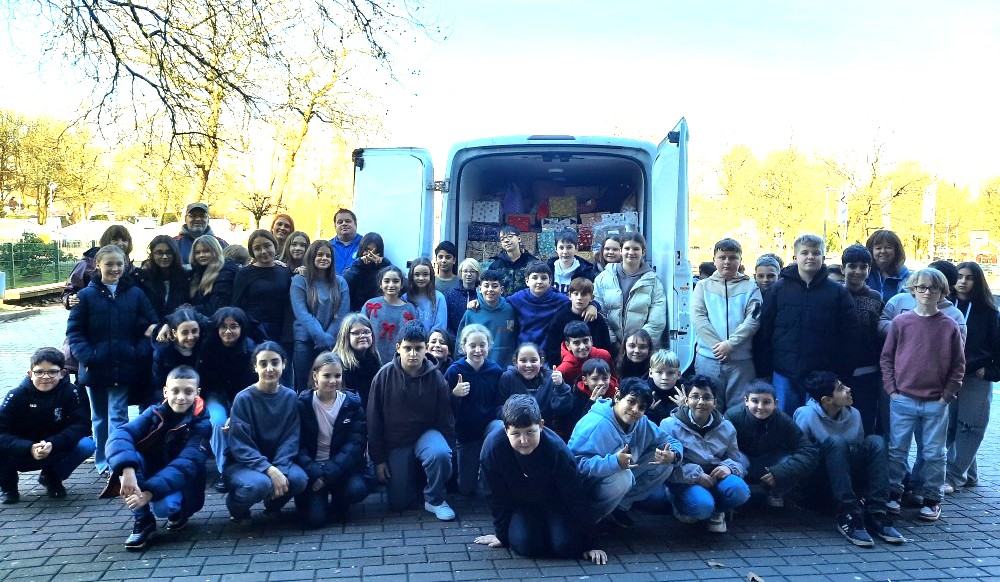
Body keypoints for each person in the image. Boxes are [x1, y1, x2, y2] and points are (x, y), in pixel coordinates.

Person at [475, 395, 608, 564]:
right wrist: (501, 534)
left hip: (555, 503)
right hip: (520, 505)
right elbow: (494, 495)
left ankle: (552, 529)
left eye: (530, 432)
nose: (524, 440)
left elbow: (575, 496)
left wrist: (591, 542)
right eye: (516, 433)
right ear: (505, 429)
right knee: (526, 547)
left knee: (567, 547)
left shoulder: (558, 451)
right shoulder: (493, 449)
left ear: (541, 425)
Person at [881, 268, 965, 521]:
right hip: (902, 399)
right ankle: (893, 493)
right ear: (913, 290)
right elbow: (887, 358)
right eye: (922, 288)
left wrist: (947, 395)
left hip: (936, 402)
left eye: (933, 288)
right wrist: (892, 391)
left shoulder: (949, 325)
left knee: (933, 453)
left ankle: (932, 498)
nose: (927, 292)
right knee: (897, 450)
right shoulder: (901, 322)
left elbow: (958, 365)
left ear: (942, 292)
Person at [66, 244, 158, 475]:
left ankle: (119, 460)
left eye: (119, 264)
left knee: (118, 415)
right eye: (109, 264)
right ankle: (103, 461)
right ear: (98, 265)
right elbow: (74, 331)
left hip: (124, 365)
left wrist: (137, 351)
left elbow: (152, 325)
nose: (115, 269)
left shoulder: (135, 294)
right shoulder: (85, 296)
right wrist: (87, 355)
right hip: (94, 366)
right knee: (99, 417)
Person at [105, 365, 211, 550]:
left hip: (184, 483)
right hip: (152, 473)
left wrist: (149, 493)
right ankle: (143, 521)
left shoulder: (201, 424)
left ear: (197, 393)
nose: (180, 397)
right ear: (165, 391)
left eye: (188, 391)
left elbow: (186, 465)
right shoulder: (154, 412)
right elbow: (120, 434)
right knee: (129, 458)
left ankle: (179, 511)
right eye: (175, 390)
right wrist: (127, 469)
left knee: (163, 508)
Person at [793, 371, 904, 546]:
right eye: (840, 388)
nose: (848, 389)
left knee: (875, 441)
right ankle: (848, 514)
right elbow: (800, 455)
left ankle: (876, 512)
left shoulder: (854, 414)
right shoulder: (806, 415)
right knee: (836, 442)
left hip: (846, 480)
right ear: (826, 400)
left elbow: (858, 455)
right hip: (818, 482)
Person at [753, 234, 858, 414]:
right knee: (784, 420)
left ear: (823, 258)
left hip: (822, 374)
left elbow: (849, 336)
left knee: (818, 423)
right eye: (805, 253)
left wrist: (842, 373)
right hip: (784, 372)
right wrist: (764, 369)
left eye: (816, 253)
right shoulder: (778, 290)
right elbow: (765, 331)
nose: (810, 256)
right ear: (795, 258)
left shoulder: (838, 293)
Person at [367, 322, 457, 520]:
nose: (413, 354)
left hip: (427, 435)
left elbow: (445, 418)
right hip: (397, 441)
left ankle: (434, 499)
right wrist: (379, 459)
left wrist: (451, 454)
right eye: (408, 348)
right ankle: (414, 481)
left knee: (441, 453)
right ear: (398, 348)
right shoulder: (384, 376)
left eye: (418, 348)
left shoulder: (436, 377)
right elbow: (374, 422)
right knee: (398, 503)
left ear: (426, 348)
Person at [569, 377, 682, 528]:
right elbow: (573, 465)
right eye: (631, 401)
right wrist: (614, 462)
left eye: (641, 407)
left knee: (665, 463)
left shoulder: (641, 421)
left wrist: (673, 455)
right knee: (623, 476)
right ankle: (590, 520)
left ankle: (619, 507)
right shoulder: (595, 424)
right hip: (586, 487)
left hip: (615, 474)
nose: (635, 409)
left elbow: (669, 440)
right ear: (617, 396)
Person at [224, 342, 308, 523]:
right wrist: (270, 470)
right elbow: (240, 445)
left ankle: (273, 505)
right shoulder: (243, 398)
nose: (270, 368)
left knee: (298, 479)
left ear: (284, 364)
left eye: (275, 362)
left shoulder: (290, 396)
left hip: (277, 460)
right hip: (243, 464)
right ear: (255, 366)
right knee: (260, 485)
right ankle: (236, 507)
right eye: (263, 364)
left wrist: (281, 468)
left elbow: (291, 438)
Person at [0, 348, 95, 504]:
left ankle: (51, 477)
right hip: (21, 450)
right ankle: (8, 487)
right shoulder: (16, 395)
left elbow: (82, 425)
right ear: (30, 373)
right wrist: (28, 447)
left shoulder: (71, 392)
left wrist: (53, 443)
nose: (45, 377)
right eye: (39, 372)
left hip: (54, 448)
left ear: (62, 373)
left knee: (87, 444)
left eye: (52, 372)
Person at [661, 375, 750, 533]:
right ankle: (680, 505)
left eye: (707, 397)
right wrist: (695, 475)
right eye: (695, 397)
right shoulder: (669, 425)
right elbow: (665, 468)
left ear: (715, 402)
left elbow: (737, 460)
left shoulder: (727, 427)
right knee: (702, 507)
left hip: (716, 476)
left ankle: (718, 511)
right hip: (686, 479)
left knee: (740, 490)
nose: (701, 402)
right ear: (686, 400)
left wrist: (729, 468)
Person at [294, 353, 369, 528]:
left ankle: (339, 497)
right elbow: (298, 445)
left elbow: (355, 445)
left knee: (357, 490)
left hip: (340, 468)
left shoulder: (352, 405)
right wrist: (315, 472)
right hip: (312, 468)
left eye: (337, 375)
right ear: (315, 376)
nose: (333, 380)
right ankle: (309, 498)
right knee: (315, 520)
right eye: (327, 375)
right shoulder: (302, 405)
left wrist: (327, 474)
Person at [946, 261, 999, 490]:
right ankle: (969, 474)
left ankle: (954, 477)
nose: (963, 281)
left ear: (978, 282)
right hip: (948, 376)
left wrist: (992, 371)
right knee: (949, 427)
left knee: (970, 426)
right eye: (959, 276)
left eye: (969, 277)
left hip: (975, 377)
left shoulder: (988, 311)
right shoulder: (945, 306)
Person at [692, 238, 761, 409]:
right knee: (709, 407)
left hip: (741, 362)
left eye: (733, 257)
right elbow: (698, 318)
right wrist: (718, 347)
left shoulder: (751, 287)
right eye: (722, 257)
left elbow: (753, 319)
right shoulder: (702, 286)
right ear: (714, 259)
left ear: (740, 260)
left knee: (740, 409)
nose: (727, 262)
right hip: (708, 359)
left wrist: (730, 345)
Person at [725, 380, 817, 509]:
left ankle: (777, 493)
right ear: (746, 401)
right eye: (755, 401)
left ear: (776, 403)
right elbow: (721, 448)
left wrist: (781, 472)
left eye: (767, 402)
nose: (760, 407)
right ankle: (734, 498)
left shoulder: (783, 420)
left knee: (787, 459)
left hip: (769, 461)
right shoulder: (732, 416)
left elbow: (808, 451)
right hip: (741, 459)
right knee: (734, 459)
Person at [196, 307, 257, 492]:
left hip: (242, 397)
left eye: (234, 326)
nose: (228, 331)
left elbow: (249, 389)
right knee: (217, 422)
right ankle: (226, 471)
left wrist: (235, 412)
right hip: (215, 394)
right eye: (223, 327)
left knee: (240, 424)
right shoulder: (208, 347)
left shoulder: (250, 350)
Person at [445, 324, 504, 496]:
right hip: (466, 435)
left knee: (500, 428)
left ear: (489, 345)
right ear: (463, 347)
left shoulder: (495, 371)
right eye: (472, 346)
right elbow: (442, 405)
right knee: (466, 489)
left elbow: (499, 403)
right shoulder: (455, 371)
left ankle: (488, 475)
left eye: (482, 345)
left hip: (488, 429)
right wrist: (454, 395)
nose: (478, 350)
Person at [290, 240, 350, 392]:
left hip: (332, 342)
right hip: (305, 342)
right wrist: (321, 337)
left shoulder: (340, 282)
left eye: (328, 256)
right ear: (311, 257)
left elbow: (342, 314)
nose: (324, 258)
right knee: (305, 387)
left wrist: (328, 337)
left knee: (329, 386)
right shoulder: (299, 280)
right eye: (319, 255)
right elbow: (302, 313)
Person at [593, 232, 667, 350]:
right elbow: (599, 312)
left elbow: (657, 321)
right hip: (610, 347)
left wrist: (636, 344)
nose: (631, 252)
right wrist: (613, 342)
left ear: (643, 252)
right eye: (627, 248)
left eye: (636, 249)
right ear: (621, 250)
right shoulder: (603, 278)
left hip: (640, 351)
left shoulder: (653, 282)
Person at [840, 244, 884, 435]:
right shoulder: (833, 294)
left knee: (865, 421)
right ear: (843, 268)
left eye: (863, 267)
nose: (857, 271)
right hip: (838, 373)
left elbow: (880, 334)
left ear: (869, 269)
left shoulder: (875, 297)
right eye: (852, 266)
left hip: (868, 372)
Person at [495, 343, 572, 431]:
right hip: (514, 430)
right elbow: (499, 408)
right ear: (515, 362)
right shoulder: (508, 377)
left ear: (541, 361)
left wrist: (560, 386)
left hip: (543, 430)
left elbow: (563, 409)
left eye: (533, 360)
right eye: (523, 361)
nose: (528, 365)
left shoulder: (552, 378)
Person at [62, 224, 134, 310]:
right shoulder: (86, 264)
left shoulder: (131, 268)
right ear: (106, 241)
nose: (120, 243)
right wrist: (70, 299)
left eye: (124, 240)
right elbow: (69, 290)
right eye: (115, 239)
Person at [544, 277, 613, 364]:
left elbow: (605, 346)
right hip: (566, 364)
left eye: (584, 294)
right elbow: (552, 346)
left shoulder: (598, 319)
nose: (579, 298)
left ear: (592, 297)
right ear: (569, 296)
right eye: (576, 294)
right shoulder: (560, 317)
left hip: (593, 366)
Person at [363, 265, 420, 364]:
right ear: (380, 284)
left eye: (395, 281)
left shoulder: (409, 308)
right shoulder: (371, 305)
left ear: (401, 284)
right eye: (386, 281)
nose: (391, 284)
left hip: (399, 361)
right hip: (371, 359)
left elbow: (413, 336)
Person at [151, 308, 206, 406]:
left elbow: (213, 321)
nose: (190, 337)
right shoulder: (163, 353)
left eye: (194, 331)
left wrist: (167, 321)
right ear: (175, 333)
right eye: (185, 332)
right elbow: (159, 385)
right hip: (171, 399)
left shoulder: (204, 348)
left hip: (200, 396)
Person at [136, 236, 191, 320]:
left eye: (169, 252)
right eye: (159, 252)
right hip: (150, 328)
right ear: (152, 254)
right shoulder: (142, 279)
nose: (164, 256)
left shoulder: (186, 277)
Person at [333, 314, 382, 408]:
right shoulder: (337, 365)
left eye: (366, 332)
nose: (363, 336)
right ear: (346, 336)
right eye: (356, 333)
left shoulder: (375, 361)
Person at [189, 235, 239, 317]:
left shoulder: (226, 273)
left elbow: (217, 307)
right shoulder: (196, 273)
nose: (201, 255)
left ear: (215, 251)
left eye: (206, 251)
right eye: (197, 252)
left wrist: (187, 310)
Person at [555, 321, 615, 388]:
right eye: (576, 343)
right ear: (568, 345)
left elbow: (614, 379)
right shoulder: (564, 369)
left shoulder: (604, 355)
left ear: (591, 340)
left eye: (585, 341)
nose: (582, 347)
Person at [344, 232, 392, 311]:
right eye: (367, 250)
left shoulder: (384, 266)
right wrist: (359, 263)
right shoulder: (356, 264)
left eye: (374, 251)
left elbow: (398, 282)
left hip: (377, 311)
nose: (370, 255)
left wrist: (383, 264)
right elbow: (343, 283)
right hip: (355, 311)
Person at [547, 229, 600, 294]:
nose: (565, 252)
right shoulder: (548, 268)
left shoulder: (586, 271)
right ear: (556, 249)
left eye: (569, 247)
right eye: (561, 248)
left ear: (576, 248)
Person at [865, 230, 911, 303]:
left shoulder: (905, 276)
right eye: (878, 248)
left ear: (896, 251)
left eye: (888, 247)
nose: (883, 251)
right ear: (871, 251)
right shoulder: (864, 272)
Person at [404, 257, 448, 332]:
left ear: (430, 276)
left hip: (432, 342)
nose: (421, 278)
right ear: (412, 276)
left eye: (425, 274)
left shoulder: (439, 298)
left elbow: (440, 325)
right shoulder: (405, 298)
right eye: (417, 275)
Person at [492, 225, 537, 295]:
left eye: (510, 236)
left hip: (526, 304)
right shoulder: (495, 266)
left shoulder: (532, 263)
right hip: (503, 304)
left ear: (519, 238)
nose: (506, 240)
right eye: (502, 239)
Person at [645, 349, 682, 426]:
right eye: (659, 372)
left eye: (670, 373)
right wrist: (645, 411)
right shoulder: (643, 392)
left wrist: (685, 409)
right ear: (651, 373)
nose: (664, 377)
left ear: (678, 375)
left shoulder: (686, 393)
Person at [446, 258, 481, 334]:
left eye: (472, 271)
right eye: (465, 271)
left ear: (477, 274)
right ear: (460, 273)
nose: (468, 274)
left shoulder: (482, 295)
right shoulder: (452, 295)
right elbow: (448, 322)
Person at [330, 208, 362, 276]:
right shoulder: (328, 247)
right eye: (340, 222)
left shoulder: (365, 244)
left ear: (355, 224)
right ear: (335, 226)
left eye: (348, 221)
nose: (344, 224)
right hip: (334, 286)